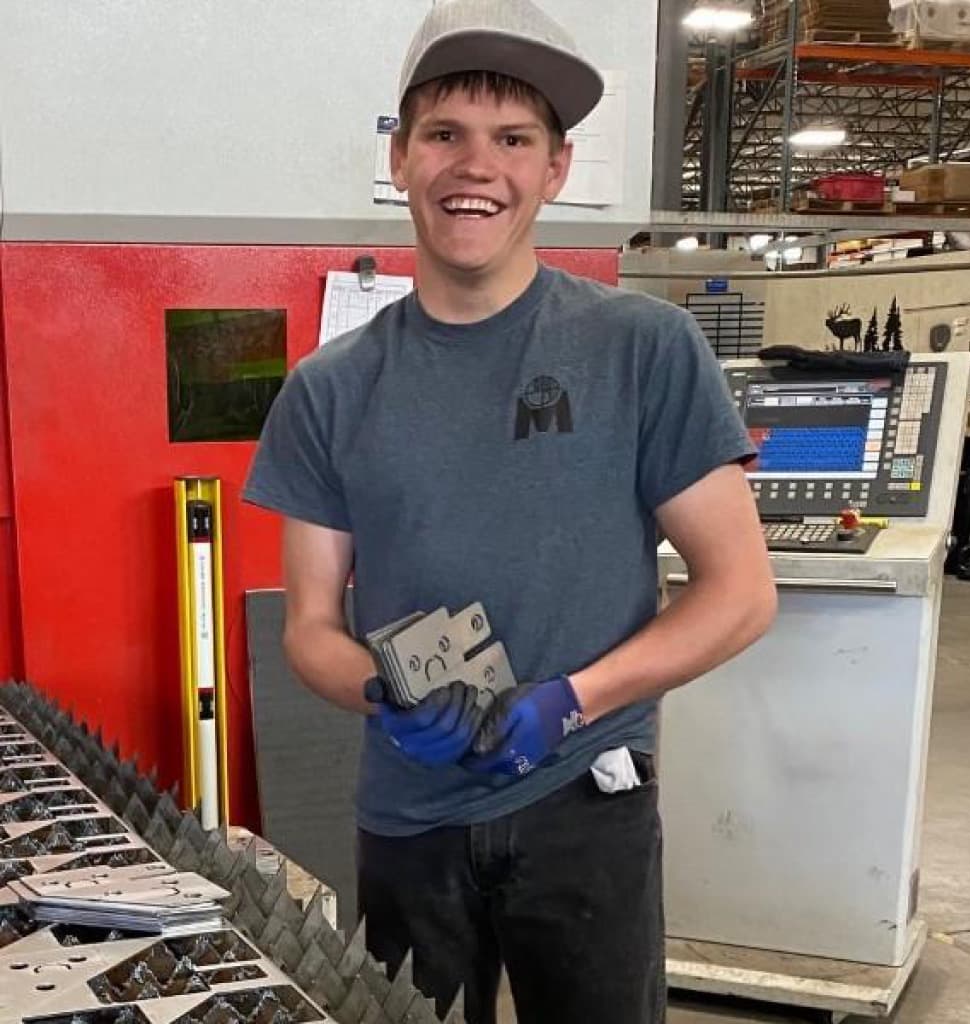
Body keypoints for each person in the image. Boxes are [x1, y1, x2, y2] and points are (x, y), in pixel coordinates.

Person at [244, 1, 776, 1021]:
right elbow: (309, 624)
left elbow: (741, 593)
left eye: (514, 139)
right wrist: (386, 695)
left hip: (585, 805)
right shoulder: (329, 388)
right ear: (399, 158)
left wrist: (570, 700)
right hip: (409, 816)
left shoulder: (641, 349)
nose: (476, 167)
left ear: (557, 168)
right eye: (445, 134)